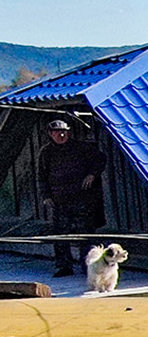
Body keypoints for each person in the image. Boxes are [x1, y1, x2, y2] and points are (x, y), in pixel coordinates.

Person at [37, 119, 105, 278]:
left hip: (82, 199)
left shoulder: (81, 148)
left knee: (85, 234)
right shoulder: (46, 152)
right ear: (50, 134)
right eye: (57, 132)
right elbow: (41, 176)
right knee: (60, 235)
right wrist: (46, 196)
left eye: (64, 132)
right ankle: (64, 266)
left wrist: (92, 174)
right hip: (59, 201)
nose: (61, 135)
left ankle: (88, 265)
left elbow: (100, 158)